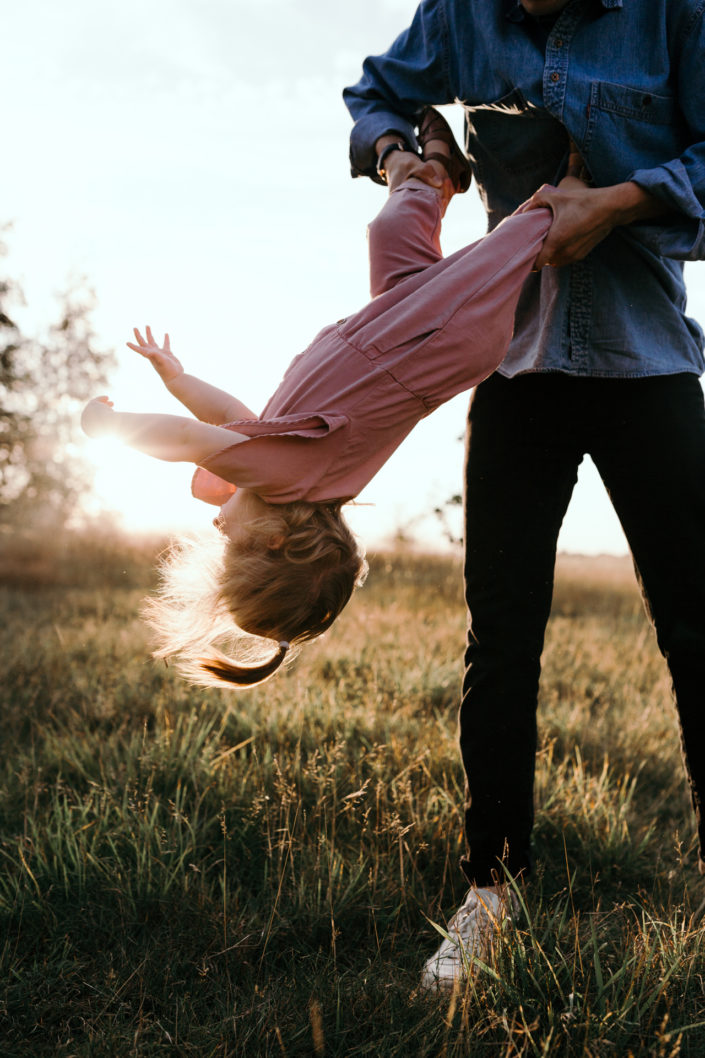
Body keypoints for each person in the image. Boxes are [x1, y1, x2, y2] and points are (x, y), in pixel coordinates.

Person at [344, 0, 705, 989]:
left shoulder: (673, 14)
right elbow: (378, 92)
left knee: (696, 627)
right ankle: (492, 889)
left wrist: (623, 201)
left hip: (649, 363)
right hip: (514, 361)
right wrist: (403, 158)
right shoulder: (461, 12)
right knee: (500, 640)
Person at [81, 108, 555, 690]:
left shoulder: (292, 472)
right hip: (435, 335)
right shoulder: (283, 479)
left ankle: (438, 175)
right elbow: (186, 440)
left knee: (391, 233)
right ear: (276, 539)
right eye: (230, 542)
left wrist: (177, 380)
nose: (217, 524)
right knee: (521, 235)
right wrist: (105, 428)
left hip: (401, 324)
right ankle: (578, 186)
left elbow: (228, 418)